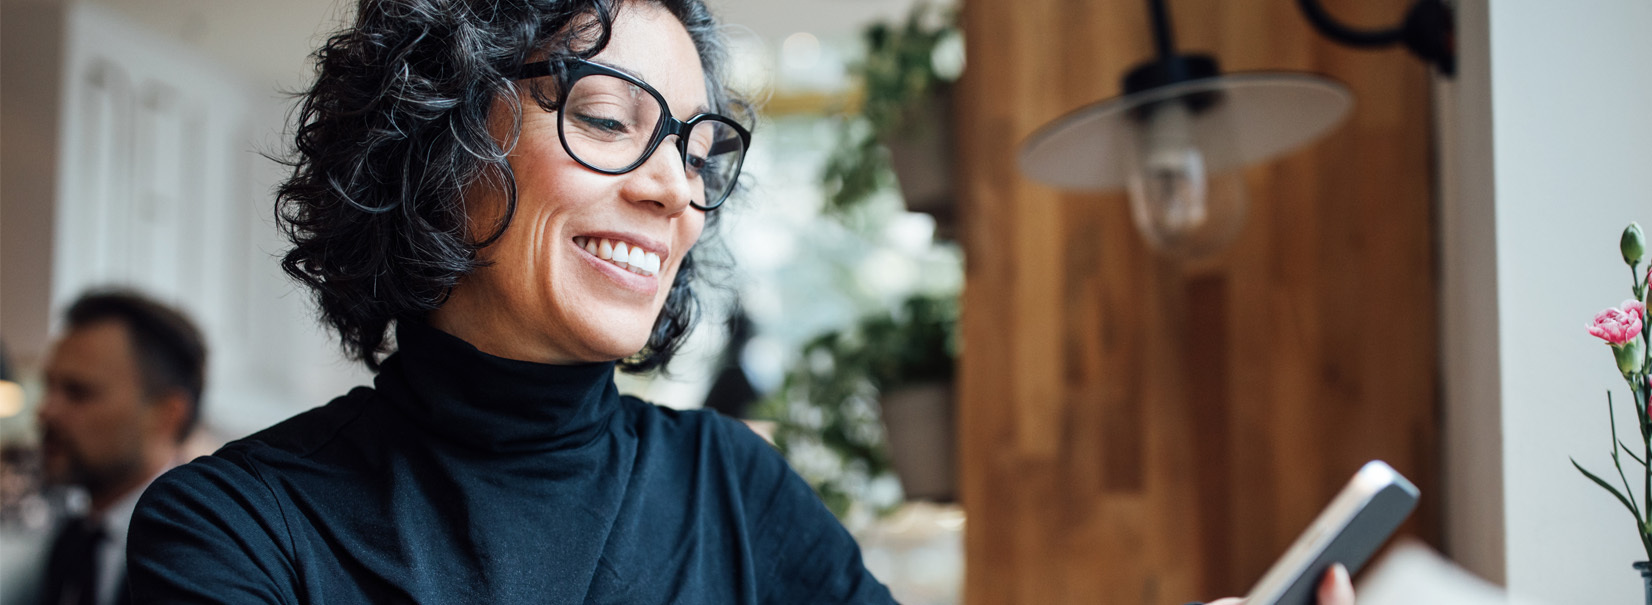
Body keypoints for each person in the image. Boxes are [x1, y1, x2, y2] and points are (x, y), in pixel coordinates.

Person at [126, 0, 1357, 602]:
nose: (676, 190)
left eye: (699, 147)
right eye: (608, 120)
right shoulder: (233, 532)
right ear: (437, 150)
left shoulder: (736, 490)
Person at [35, 290, 206, 605]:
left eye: (78, 392)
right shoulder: (72, 540)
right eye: (49, 386)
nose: (46, 410)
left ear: (166, 414)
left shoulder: (204, 550)